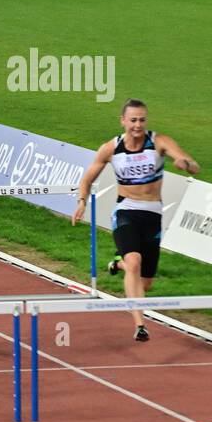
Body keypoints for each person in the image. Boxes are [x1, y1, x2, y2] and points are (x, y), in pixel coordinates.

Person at [72, 100, 200, 342]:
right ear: (123, 121)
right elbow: (87, 179)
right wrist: (81, 201)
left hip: (152, 215)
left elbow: (189, 162)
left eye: (142, 120)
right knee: (134, 261)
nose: (137, 125)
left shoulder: (159, 141)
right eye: (133, 120)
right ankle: (140, 324)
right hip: (125, 211)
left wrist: (187, 165)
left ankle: (117, 265)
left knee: (146, 283)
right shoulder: (111, 149)